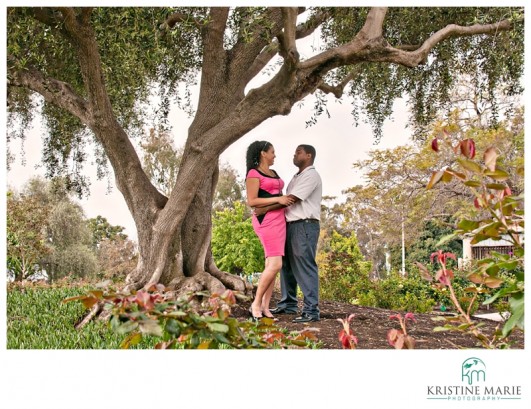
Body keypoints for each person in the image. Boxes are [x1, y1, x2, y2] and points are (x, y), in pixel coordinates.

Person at [256, 144, 322, 323]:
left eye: (298, 152)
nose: (294, 154)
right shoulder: (296, 176)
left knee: (304, 264)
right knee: (285, 265)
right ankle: (288, 303)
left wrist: (265, 209)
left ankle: (311, 310)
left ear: (308, 156)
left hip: (304, 225)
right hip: (289, 224)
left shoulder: (311, 176)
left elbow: (291, 199)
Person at [245, 140, 294, 320]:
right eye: (272, 152)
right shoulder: (253, 173)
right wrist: (279, 200)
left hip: (279, 220)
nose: (275, 155)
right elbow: (252, 201)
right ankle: (255, 304)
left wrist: (281, 200)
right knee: (276, 265)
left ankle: (265, 307)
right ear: (263, 153)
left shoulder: (273, 173)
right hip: (265, 221)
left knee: (271, 266)